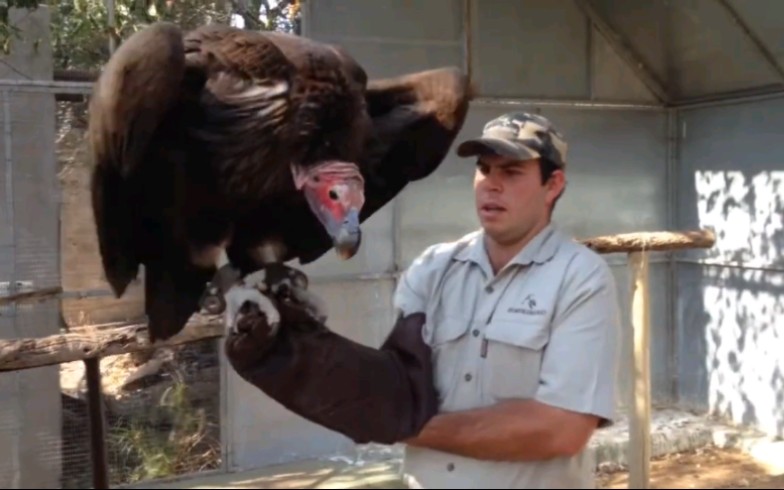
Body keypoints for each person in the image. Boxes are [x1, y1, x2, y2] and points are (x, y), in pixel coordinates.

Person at [223, 111, 622, 489]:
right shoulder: (435, 267)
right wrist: (302, 354)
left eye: (512, 172)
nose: (491, 184)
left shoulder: (579, 278)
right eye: (484, 169)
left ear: (554, 185)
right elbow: (398, 384)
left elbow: (562, 429)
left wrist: (400, 424)